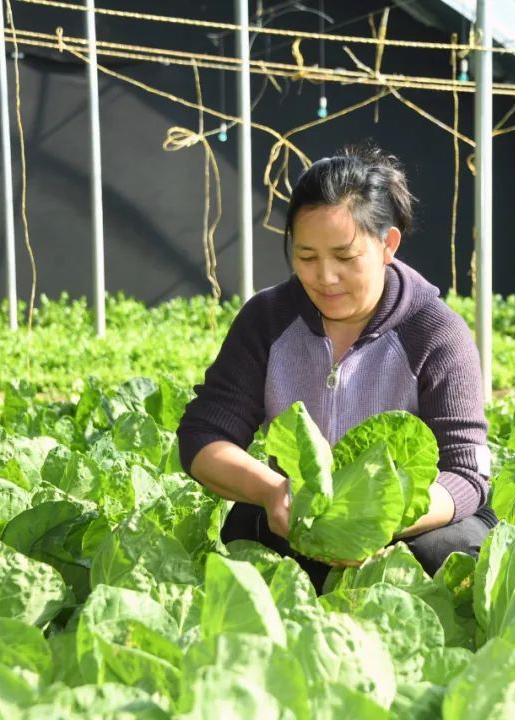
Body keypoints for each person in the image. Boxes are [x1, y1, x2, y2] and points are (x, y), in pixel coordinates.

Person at [176, 145, 496, 593]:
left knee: (445, 553)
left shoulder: (437, 332)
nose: (325, 277)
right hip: (302, 516)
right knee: (246, 534)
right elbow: (204, 435)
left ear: (387, 245)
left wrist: (375, 520)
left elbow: (465, 473)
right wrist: (272, 492)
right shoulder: (267, 320)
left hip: (414, 525)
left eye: (345, 258)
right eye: (307, 257)